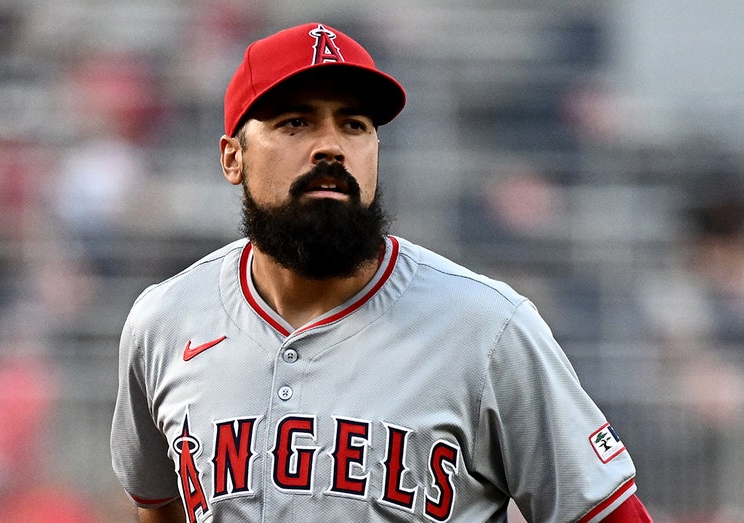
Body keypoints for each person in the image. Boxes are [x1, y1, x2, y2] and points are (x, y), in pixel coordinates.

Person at [111, 22, 652, 523]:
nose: (331, 146)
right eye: (296, 122)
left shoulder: (488, 328)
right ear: (233, 157)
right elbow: (158, 504)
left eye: (354, 124)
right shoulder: (165, 321)